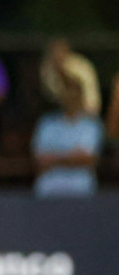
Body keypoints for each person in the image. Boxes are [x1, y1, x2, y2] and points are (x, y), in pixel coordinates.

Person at [32, 70, 103, 198]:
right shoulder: (47, 123)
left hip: (81, 189)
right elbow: (40, 160)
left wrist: (56, 157)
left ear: (81, 94)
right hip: (49, 189)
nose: (71, 96)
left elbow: (89, 159)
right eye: (67, 90)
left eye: (74, 90)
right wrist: (71, 157)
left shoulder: (91, 126)